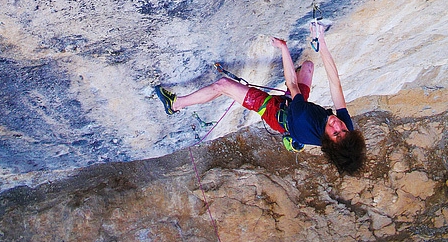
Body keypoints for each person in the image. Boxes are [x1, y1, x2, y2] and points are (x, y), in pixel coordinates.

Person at [155, 23, 366, 175]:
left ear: (329, 142)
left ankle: (175, 104)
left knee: (223, 86)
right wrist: (322, 43)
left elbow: (292, 84)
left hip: (278, 113)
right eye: (343, 130)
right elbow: (335, 83)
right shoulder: (346, 131)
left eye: (335, 133)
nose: (338, 125)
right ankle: (295, 141)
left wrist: (283, 47)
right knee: (309, 67)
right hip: (297, 109)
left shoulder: (304, 119)